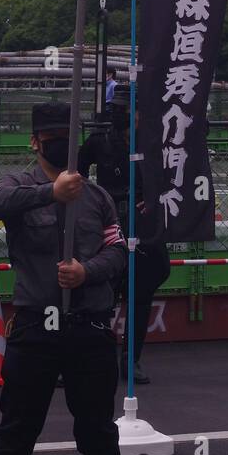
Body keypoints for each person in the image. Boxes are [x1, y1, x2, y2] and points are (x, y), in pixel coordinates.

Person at [0, 102, 134, 455]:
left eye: (66, 135)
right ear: (34, 142)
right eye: (49, 136)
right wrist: (52, 193)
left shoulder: (99, 197)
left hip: (89, 328)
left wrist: (87, 273)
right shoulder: (18, 185)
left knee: (98, 430)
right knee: (17, 428)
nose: (59, 144)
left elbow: (119, 252)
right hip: (35, 329)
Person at [79, 86, 171, 385]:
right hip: (109, 222)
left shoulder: (156, 143)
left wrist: (155, 198)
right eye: (116, 107)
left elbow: (175, 177)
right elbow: (77, 174)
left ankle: (131, 360)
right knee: (101, 294)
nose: (119, 113)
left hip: (143, 223)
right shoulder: (99, 142)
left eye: (124, 108)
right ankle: (99, 356)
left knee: (140, 294)